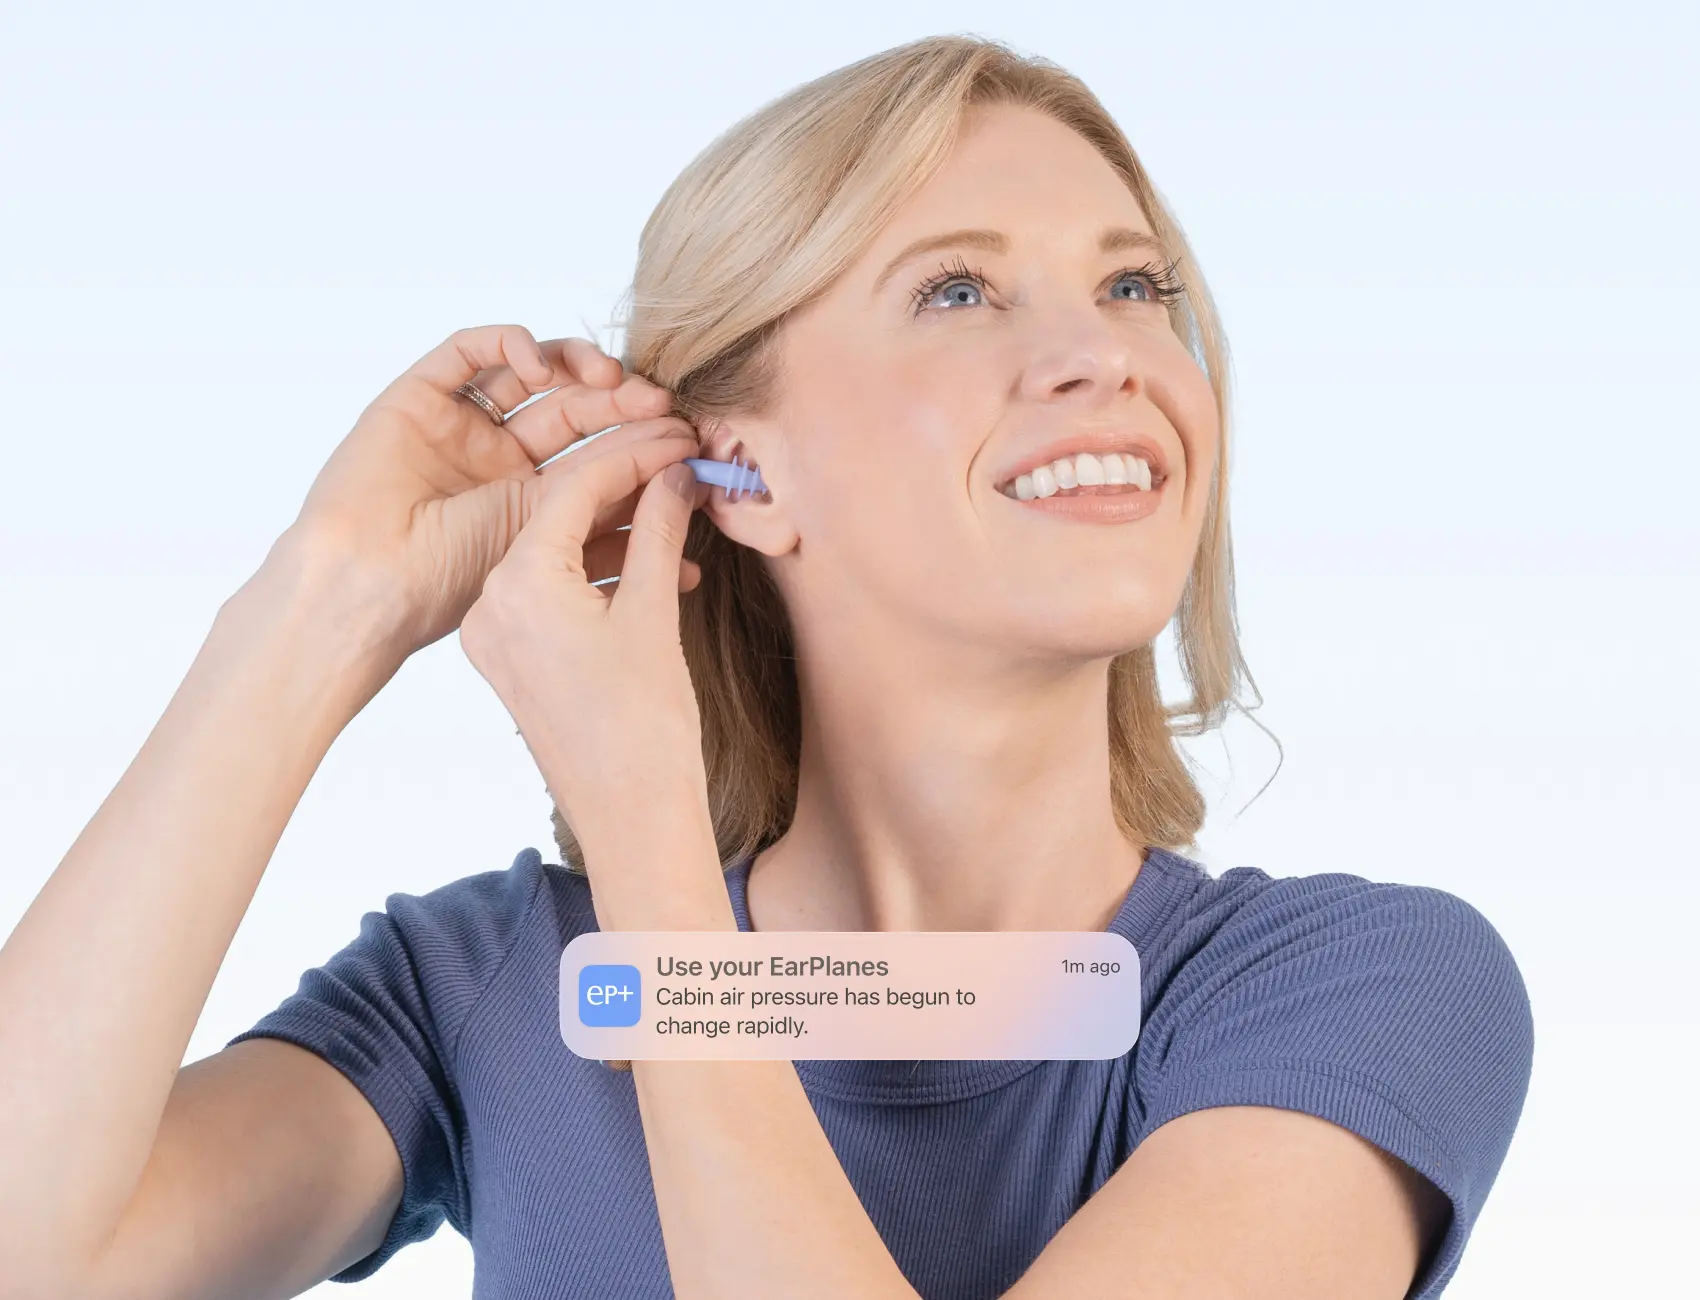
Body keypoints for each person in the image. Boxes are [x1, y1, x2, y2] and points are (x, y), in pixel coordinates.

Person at [0, 33, 1533, 1300]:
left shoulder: (1360, 999)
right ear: (742, 473)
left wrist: (650, 835)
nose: (1107, 353)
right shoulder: (491, 993)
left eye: (1137, 287)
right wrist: (320, 607)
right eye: (958, 289)